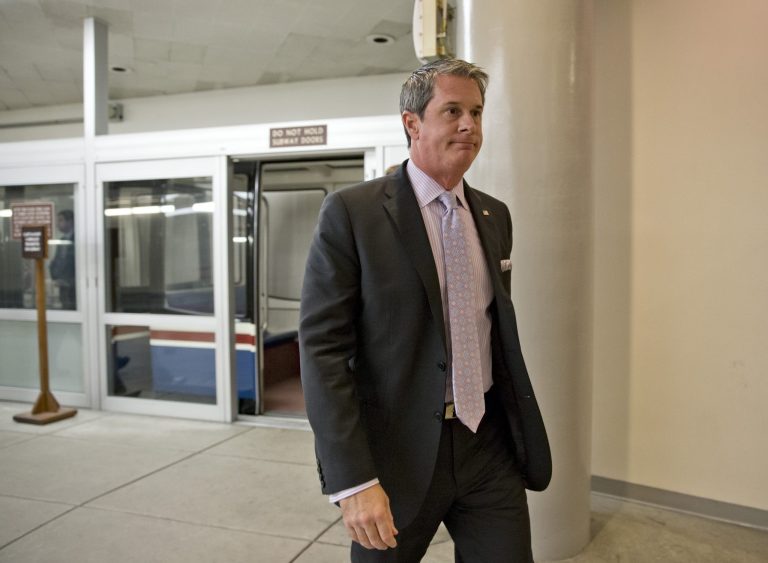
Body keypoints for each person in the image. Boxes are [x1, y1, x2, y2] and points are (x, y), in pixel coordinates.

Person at [299, 58, 551, 562]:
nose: (469, 126)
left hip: (488, 444)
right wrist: (353, 479)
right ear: (412, 123)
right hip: (396, 457)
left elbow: (488, 327)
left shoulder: (492, 214)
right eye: (453, 110)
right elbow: (323, 350)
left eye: (477, 113)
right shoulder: (354, 213)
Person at [49, 209, 76, 310]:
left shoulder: (77, 238)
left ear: (70, 222)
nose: (57, 224)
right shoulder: (62, 240)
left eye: (60, 220)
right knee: (65, 307)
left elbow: (73, 263)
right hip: (62, 285)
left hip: (74, 285)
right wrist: (55, 277)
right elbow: (57, 261)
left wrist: (70, 281)